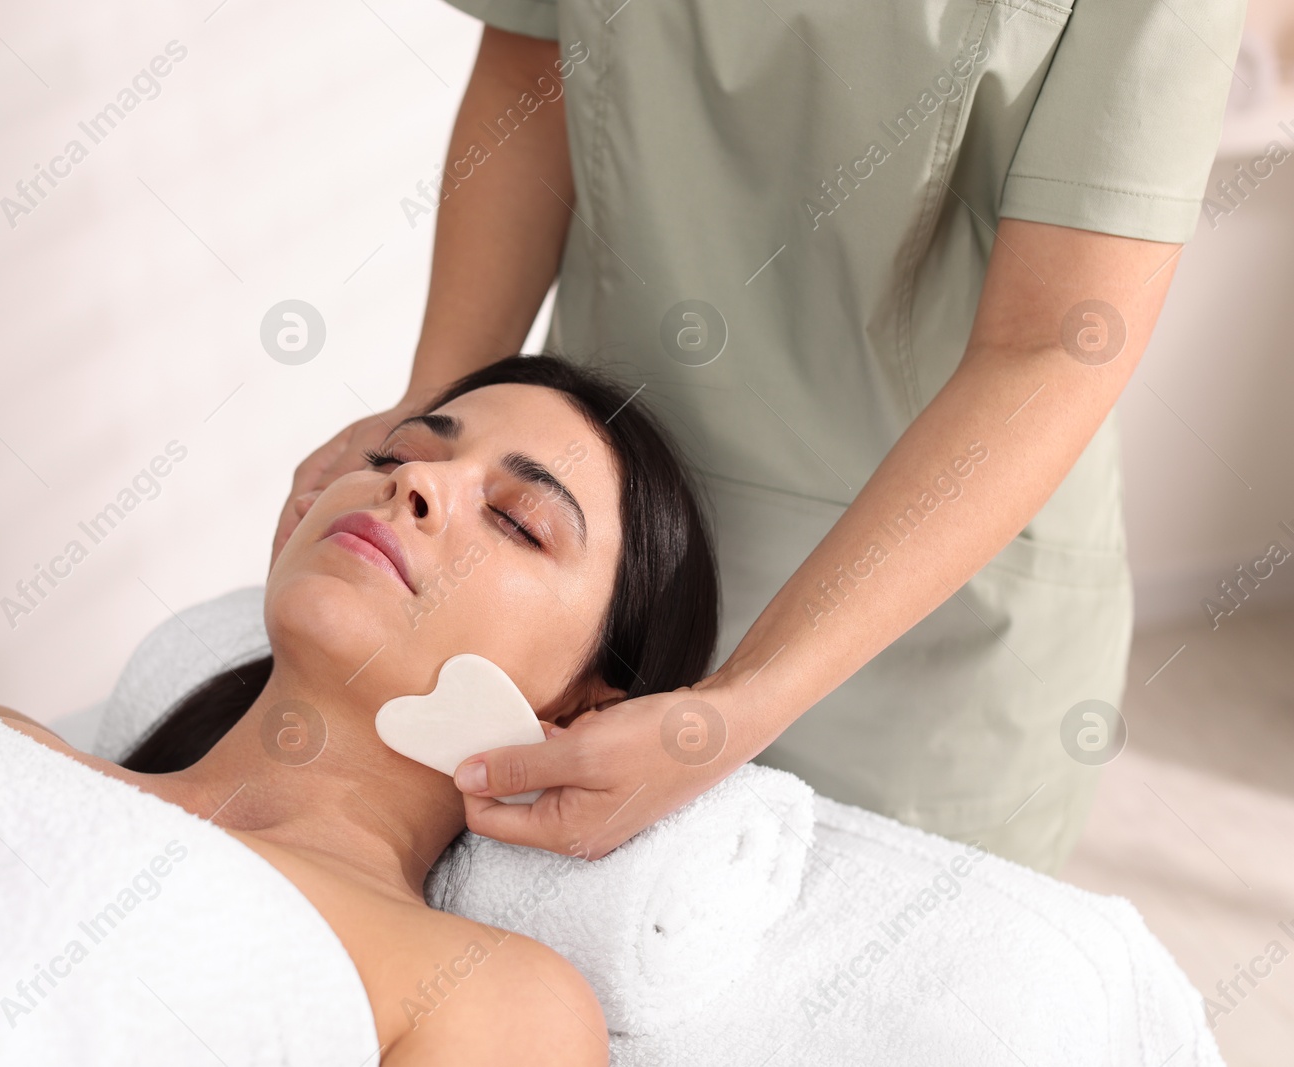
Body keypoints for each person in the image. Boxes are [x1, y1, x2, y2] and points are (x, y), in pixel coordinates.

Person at [273, 1, 1250, 872]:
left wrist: (743, 701)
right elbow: (535, 65)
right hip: (603, 594)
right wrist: (430, 422)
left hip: (918, 630)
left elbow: (1053, 342)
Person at [0, 355, 722, 1064]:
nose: (414, 479)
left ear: (591, 710)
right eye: (393, 456)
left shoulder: (494, 998)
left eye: (517, 519)